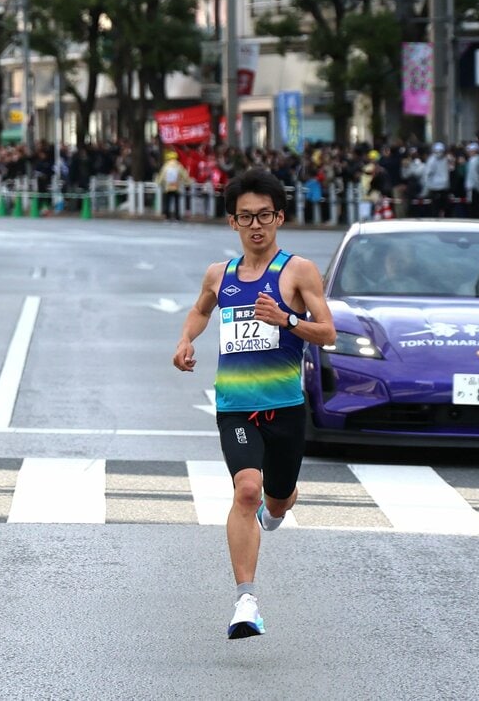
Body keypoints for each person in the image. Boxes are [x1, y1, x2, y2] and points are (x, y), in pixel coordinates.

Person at [172, 169, 336, 640]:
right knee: (246, 489)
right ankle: (246, 600)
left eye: (264, 215)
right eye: (246, 217)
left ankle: (277, 509)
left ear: (279, 216)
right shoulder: (219, 274)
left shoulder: (297, 271)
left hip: (285, 406)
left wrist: (285, 319)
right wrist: (185, 339)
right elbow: (202, 309)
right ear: (233, 223)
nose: (256, 225)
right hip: (235, 406)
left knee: (277, 497)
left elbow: (326, 332)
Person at [159, 151, 190, 222]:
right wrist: (188, 182)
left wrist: (159, 182)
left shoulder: (166, 166)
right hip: (176, 187)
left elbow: (162, 176)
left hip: (168, 187)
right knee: (177, 203)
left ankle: (167, 217)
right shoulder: (178, 165)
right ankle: (177, 217)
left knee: (167, 202)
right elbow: (184, 175)